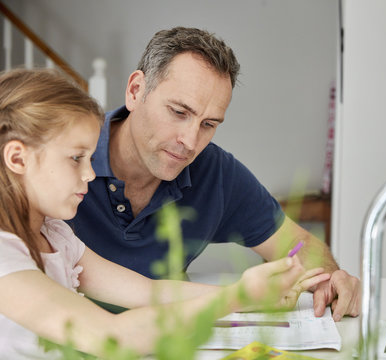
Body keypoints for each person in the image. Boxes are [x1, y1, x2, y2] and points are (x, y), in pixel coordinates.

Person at [0, 68, 330, 358]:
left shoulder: (56, 234)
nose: (89, 174)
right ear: (17, 159)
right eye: (76, 159)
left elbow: (148, 292)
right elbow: (109, 336)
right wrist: (238, 295)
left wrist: (254, 294)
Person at [68, 26, 360, 322]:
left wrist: (330, 278)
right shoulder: (64, 158)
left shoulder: (215, 172)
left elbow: (297, 245)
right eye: (179, 112)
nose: (191, 142)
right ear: (135, 91)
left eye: (208, 124)